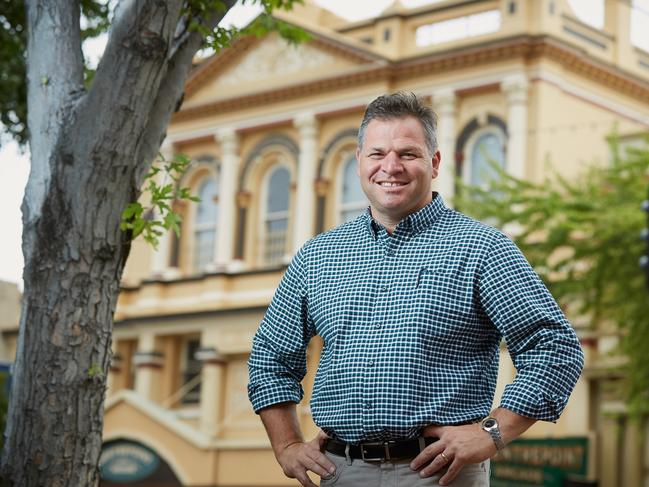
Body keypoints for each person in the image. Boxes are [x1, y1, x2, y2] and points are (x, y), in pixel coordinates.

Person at [247, 92, 584, 487]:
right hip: (342, 471)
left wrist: (492, 433)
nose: (391, 167)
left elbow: (554, 348)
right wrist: (286, 445)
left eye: (407, 153)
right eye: (377, 154)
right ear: (359, 163)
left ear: (434, 162)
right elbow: (270, 357)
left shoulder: (482, 248)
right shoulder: (318, 255)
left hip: (440, 473)